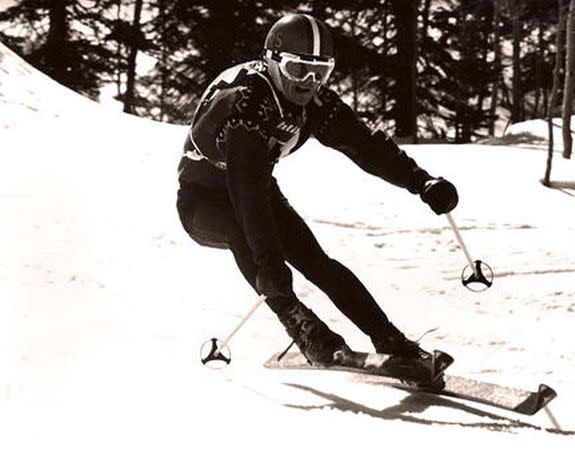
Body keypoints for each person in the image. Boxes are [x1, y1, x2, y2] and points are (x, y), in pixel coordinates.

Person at [176, 13, 458, 367]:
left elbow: (366, 146)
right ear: (273, 61)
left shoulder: (316, 103)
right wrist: (267, 262)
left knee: (315, 260)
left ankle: (389, 337)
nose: (309, 83)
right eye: (298, 70)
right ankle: (306, 331)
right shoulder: (246, 105)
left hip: (256, 186)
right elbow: (245, 192)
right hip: (203, 200)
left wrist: (422, 182)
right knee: (249, 240)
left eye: (320, 72)